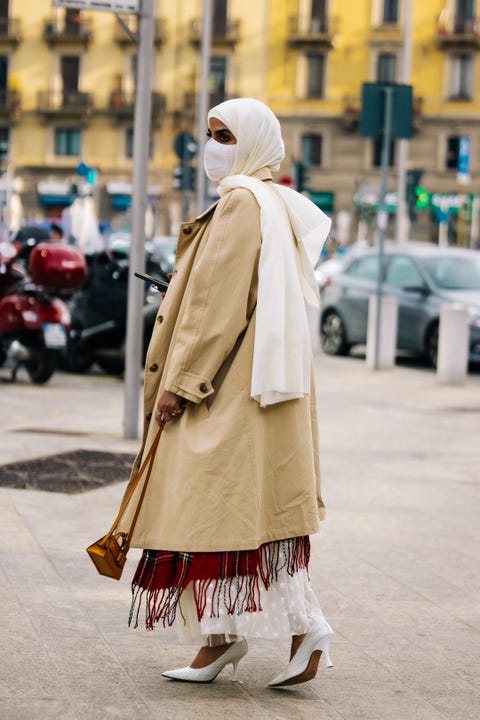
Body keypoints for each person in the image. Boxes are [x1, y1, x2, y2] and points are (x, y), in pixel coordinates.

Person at [117, 97, 334, 688]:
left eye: (225, 135)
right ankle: (221, 642)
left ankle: (296, 629)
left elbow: (216, 307)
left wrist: (178, 385)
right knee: (237, 519)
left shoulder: (242, 204)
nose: (213, 145)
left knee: (213, 514)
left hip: (223, 392)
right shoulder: (270, 202)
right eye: (210, 133)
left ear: (255, 142)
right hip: (251, 388)